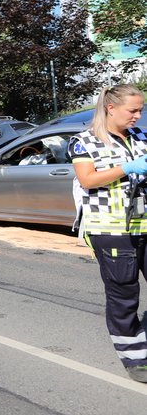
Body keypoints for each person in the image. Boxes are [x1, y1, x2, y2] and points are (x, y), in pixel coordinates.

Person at [70, 84, 147, 383]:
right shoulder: (84, 142)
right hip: (110, 229)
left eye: (140, 110)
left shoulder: (141, 136)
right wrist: (127, 167)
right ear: (110, 108)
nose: (138, 116)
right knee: (124, 295)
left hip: (144, 224)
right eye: (133, 110)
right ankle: (135, 357)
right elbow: (87, 180)